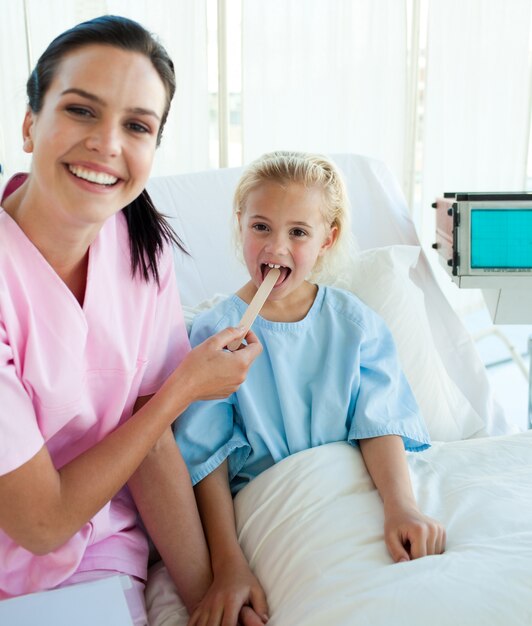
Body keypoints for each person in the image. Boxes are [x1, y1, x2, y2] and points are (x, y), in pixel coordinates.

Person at [0, 15, 263, 625]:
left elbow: (149, 441)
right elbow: (39, 524)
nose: (108, 144)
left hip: (99, 552)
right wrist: (184, 390)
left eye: (137, 126)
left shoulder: (135, 244)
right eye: (82, 110)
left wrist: (209, 599)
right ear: (30, 124)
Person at [173, 150, 447, 626]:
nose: (276, 248)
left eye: (298, 232)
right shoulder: (214, 335)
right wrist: (228, 563)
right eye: (261, 227)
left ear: (327, 239)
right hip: (274, 508)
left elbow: (379, 423)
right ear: (239, 225)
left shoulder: (354, 323)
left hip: (356, 493)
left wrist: (401, 507)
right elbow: (206, 461)